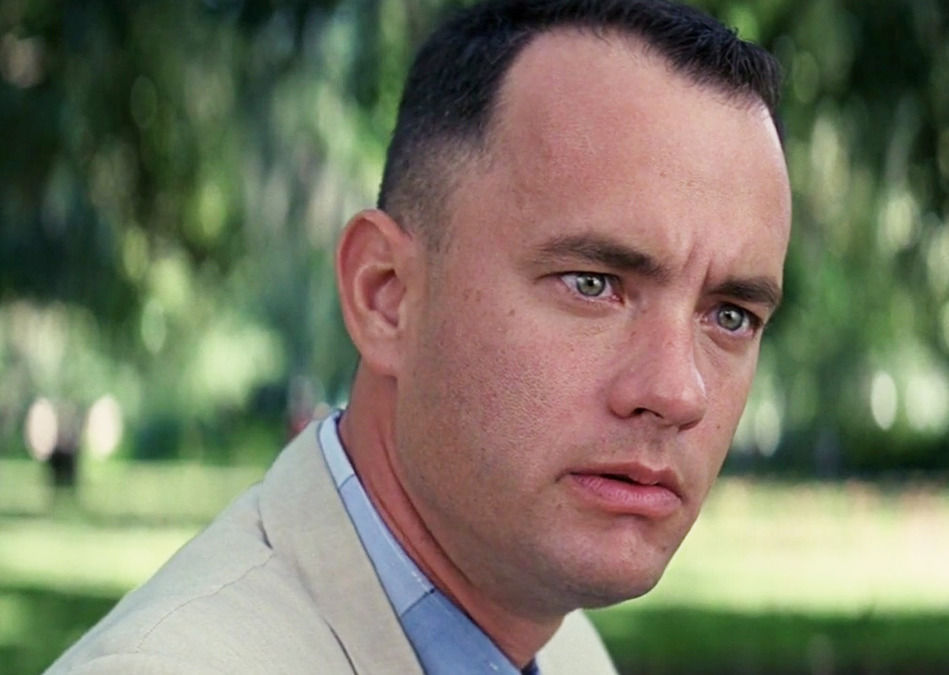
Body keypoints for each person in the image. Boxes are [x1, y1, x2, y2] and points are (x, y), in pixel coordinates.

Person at [47, 0, 791, 672]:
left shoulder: (560, 648)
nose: (678, 391)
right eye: (592, 283)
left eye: (730, 315)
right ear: (386, 296)